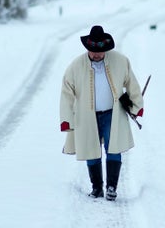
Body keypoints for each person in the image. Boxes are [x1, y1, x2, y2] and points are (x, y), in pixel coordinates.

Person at [60, 25, 145, 201]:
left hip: (112, 114)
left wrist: (137, 106)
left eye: (100, 51)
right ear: (87, 48)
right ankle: (97, 188)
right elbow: (66, 93)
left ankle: (112, 187)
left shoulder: (121, 61)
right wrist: (66, 119)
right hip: (86, 116)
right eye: (92, 51)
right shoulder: (75, 66)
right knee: (90, 150)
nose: (96, 54)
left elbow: (132, 84)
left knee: (114, 148)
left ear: (106, 49)